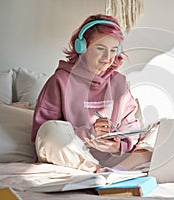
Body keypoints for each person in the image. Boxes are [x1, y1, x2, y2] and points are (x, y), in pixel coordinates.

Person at [31, 14, 146, 172]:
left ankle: (117, 172)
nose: (108, 58)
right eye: (100, 48)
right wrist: (90, 134)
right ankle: (95, 170)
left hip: (114, 159)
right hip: (76, 155)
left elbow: (131, 125)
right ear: (82, 47)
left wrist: (118, 145)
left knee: (159, 130)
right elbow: (43, 133)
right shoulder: (60, 80)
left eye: (113, 50)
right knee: (50, 131)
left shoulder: (120, 82)